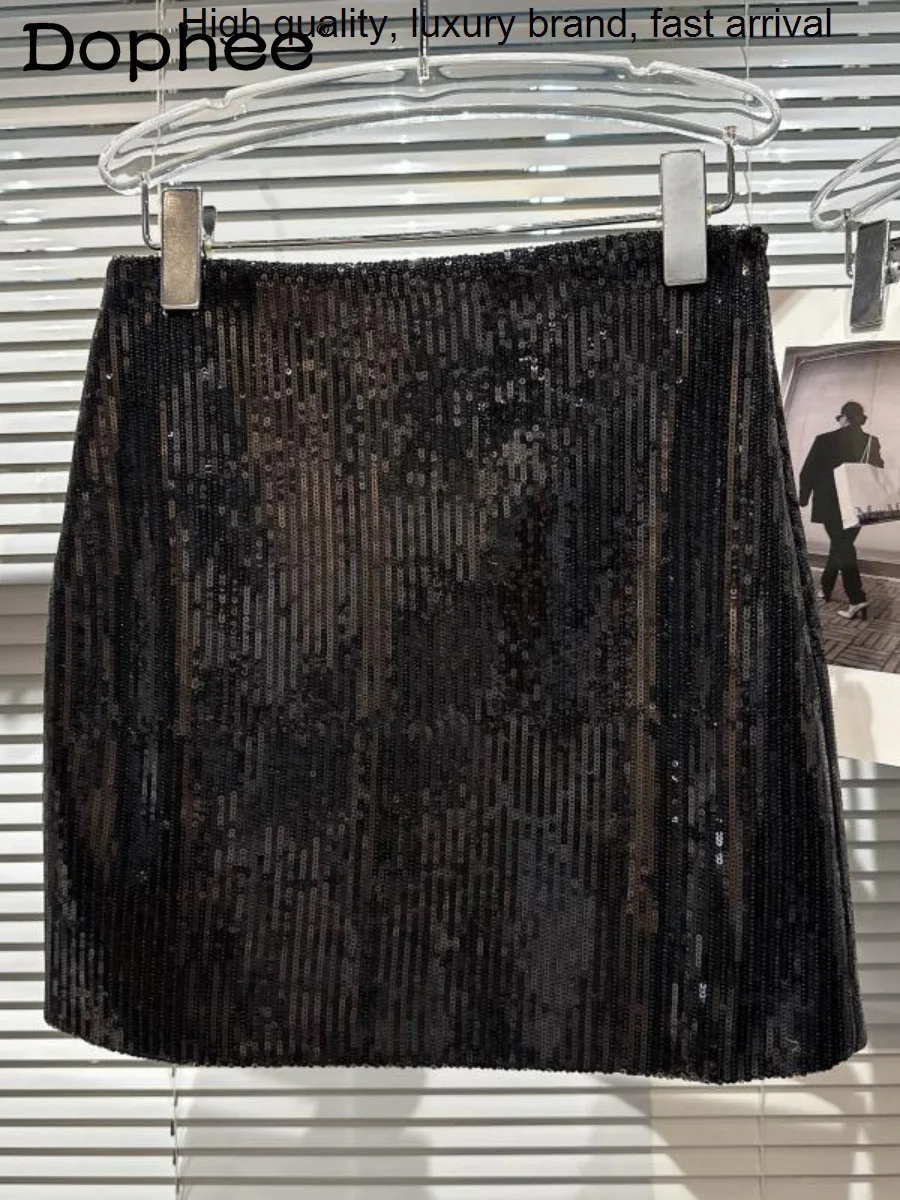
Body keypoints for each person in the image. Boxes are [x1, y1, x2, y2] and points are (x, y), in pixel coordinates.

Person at [798, 400, 883, 621]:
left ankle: (857, 598)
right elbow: (878, 470)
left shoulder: (824, 439)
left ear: (844, 417)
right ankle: (826, 588)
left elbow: (808, 471)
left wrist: (803, 498)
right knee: (841, 544)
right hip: (858, 504)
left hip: (830, 504)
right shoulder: (871, 442)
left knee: (842, 547)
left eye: (839, 418)